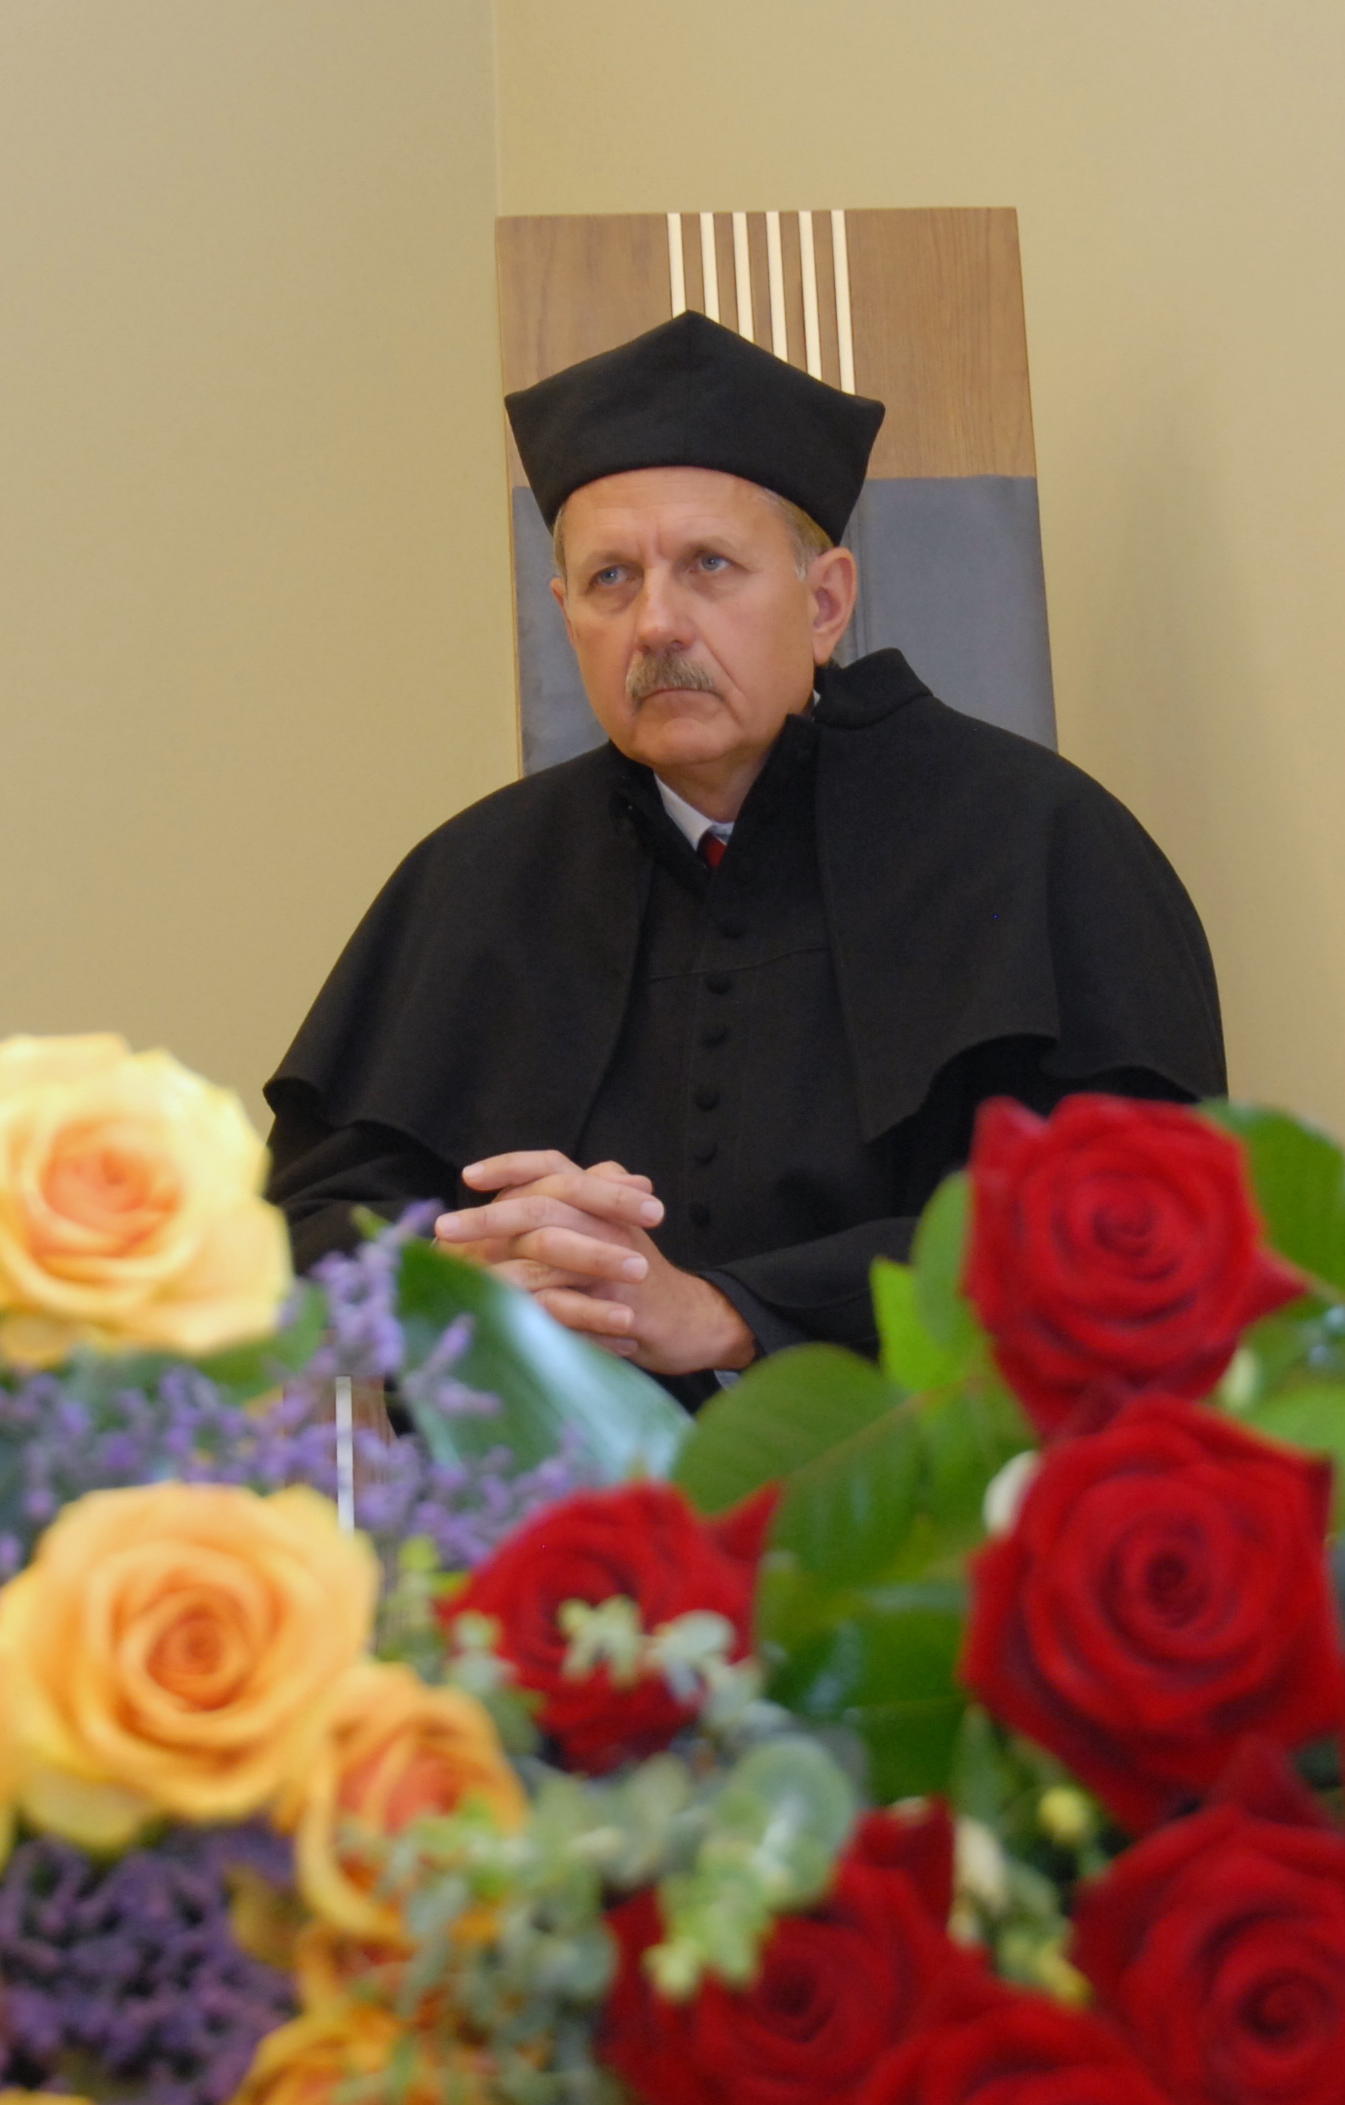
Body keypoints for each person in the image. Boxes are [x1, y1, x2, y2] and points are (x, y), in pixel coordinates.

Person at [265, 311, 1223, 1403]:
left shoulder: (1038, 839)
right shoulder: (470, 879)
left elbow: (1127, 1225)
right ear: (565, 615)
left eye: (708, 566)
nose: (656, 624)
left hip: (922, 1484)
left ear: (826, 603)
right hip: (554, 1493)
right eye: (611, 579)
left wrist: (726, 1314)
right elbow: (301, 1225)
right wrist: (460, 1280)